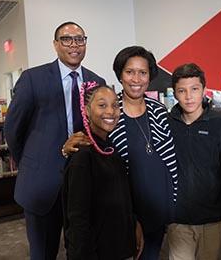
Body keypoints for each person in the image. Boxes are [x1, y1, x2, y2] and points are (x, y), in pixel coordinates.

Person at [62, 46, 178, 259]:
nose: (136, 79)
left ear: (150, 76)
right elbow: (87, 145)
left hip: (159, 210)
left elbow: (171, 159)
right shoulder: (109, 111)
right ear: (120, 75)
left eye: (142, 72)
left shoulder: (159, 110)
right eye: (129, 71)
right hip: (125, 215)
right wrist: (66, 147)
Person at [4, 21, 105, 259]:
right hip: (41, 184)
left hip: (82, 183)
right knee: (42, 253)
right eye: (66, 39)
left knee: (82, 249)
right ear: (55, 44)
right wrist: (32, 163)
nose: (74, 45)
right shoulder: (33, 78)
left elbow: (99, 130)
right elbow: (13, 130)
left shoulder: (95, 81)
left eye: (80, 39)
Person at [166, 63, 221, 260]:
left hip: (211, 218)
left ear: (204, 90)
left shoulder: (220, 123)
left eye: (194, 89)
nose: (188, 96)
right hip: (177, 218)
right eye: (182, 91)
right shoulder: (167, 124)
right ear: (174, 93)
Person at [62, 82, 142, 259]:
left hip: (120, 246)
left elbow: (121, 198)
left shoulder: (110, 147)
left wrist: (133, 223)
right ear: (87, 111)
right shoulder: (82, 156)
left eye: (115, 105)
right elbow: (77, 220)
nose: (111, 111)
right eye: (102, 105)